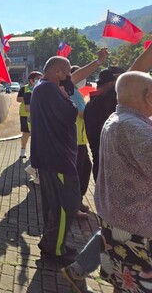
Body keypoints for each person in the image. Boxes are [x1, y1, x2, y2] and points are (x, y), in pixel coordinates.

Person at [30, 50, 107, 267]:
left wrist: (97, 62)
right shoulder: (49, 90)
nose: (70, 77)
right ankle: (55, 249)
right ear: (56, 72)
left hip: (52, 158)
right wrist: (71, 102)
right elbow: (70, 113)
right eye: (66, 71)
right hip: (57, 160)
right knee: (67, 204)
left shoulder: (48, 87)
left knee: (56, 206)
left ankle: (51, 243)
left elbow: (75, 78)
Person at [94, 72, 152, 293]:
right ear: (148, 96)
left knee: (122, 281)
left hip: (117, 220)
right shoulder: (134, 128)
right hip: (136, 227)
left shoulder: (117, 119)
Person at [83, 66, 124, 181]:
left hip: (102, 168)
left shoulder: (92, 103)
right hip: (110, 172)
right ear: (112, 85)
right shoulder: (103, 101)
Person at [69, 66, 92, 217]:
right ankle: (73, 205)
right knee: (78, 173)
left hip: (80, 139)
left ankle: (77, 201)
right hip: (76, 140)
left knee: (84, 169)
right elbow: (83, 114)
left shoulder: (75, 92)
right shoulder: (74, 93)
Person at [16, 71, 42, 159]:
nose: (40, 80)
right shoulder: (24, 88)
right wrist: (29, 96)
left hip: (37, 114)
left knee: (37, 133)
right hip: (25, 114)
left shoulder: (41, 88)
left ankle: (35, 152)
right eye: (38, 78)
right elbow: (18, 99)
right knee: (26, 133)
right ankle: (23, 151)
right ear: (31, 80)